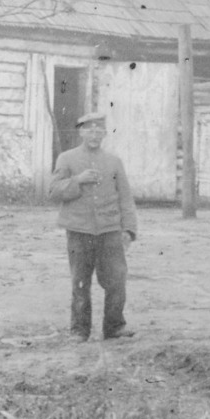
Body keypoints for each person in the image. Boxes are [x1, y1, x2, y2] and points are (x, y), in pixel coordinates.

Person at [48, 111, 138, 341]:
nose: (94, 134)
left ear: (105, 133)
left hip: (109, 230)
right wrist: (77, 180)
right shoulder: (66, 159)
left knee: (117, 279)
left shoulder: (114, 162)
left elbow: (125, 198)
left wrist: (128, 229)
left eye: (99, 130)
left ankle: (114, 326)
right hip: (79, 230)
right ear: (80, 132)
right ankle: (79, 330)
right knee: (80, 281)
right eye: (89, 129)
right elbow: (54, 191)